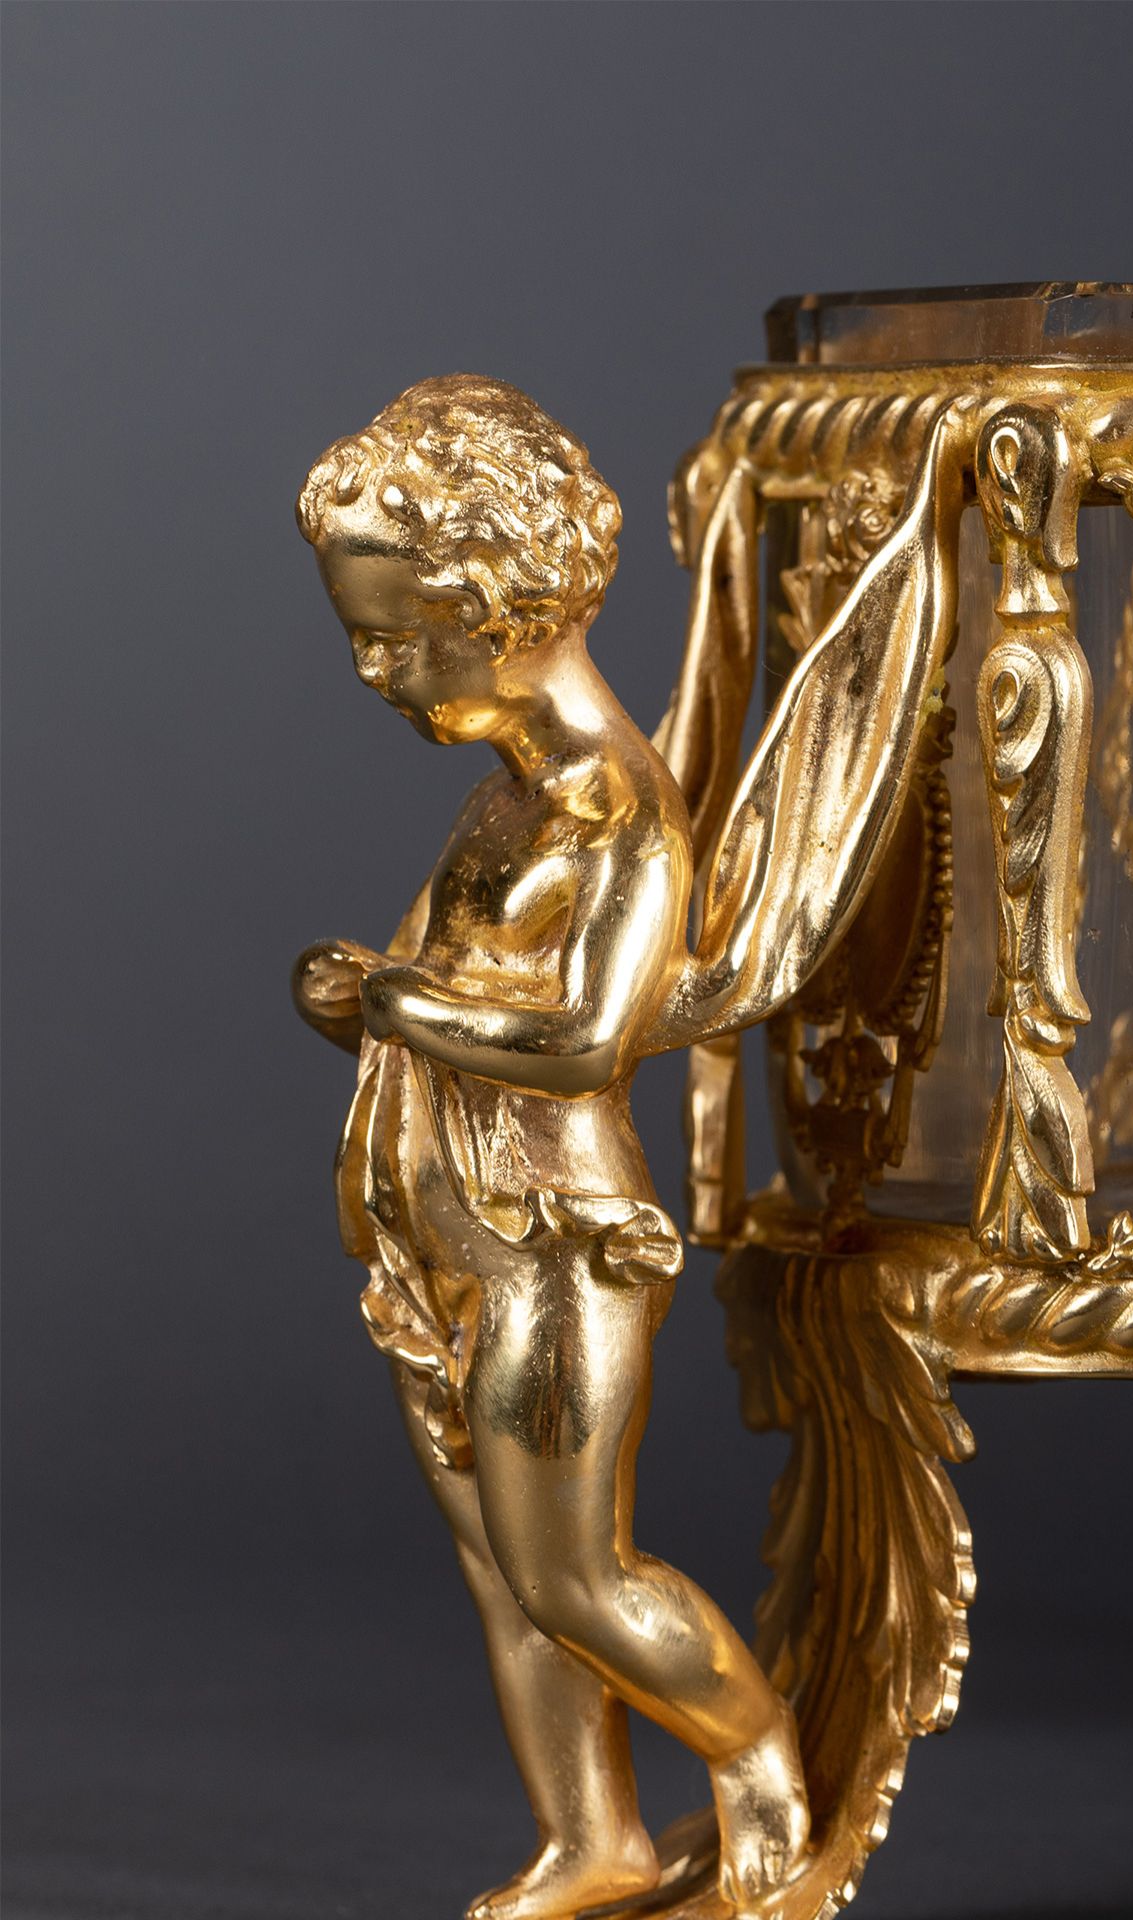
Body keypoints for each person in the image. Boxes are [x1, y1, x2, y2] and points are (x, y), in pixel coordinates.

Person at [292, 375, 968, 1918]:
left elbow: (591, 1044)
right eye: (359, 636)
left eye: (399, 636)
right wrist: (367, 1000)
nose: (374, 670)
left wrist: (401, 1000)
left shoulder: (615, 812)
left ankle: (762, 1764)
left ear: (508, 610)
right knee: (499, 1571)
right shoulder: (503, 800)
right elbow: (464, 996)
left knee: (571, 1574)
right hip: (437, 1232)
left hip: (557, 1243)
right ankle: (591, 1839)